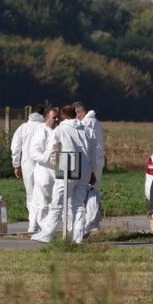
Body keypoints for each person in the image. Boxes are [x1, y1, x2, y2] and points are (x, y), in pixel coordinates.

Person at [32, 104, 98, 245]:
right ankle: (77, 236)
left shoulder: (60, 129)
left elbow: (52, 149)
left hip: (68, 163)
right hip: (85, 167)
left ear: (62, 115)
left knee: (57, 201)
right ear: (75, 113)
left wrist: (51, 161)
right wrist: (92, 171)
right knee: (79, 203)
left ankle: (48, 233)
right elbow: (93, 152)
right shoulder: (86, 129)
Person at [10, 105, 47, 235]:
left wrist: (16, 165)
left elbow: (15, 148)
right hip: (44, 163)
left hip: (27, 164)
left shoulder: (23, 128)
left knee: (31, 193)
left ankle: (32, 224)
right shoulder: (45, 127)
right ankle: (43, 224)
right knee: (43, 192)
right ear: (44, 114)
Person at [74, 101, 106, 234]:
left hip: (93, 160)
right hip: (97, 159)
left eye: (76, 114)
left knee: (91, 190)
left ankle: (91, 223)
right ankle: (94, 222)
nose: (76, 118)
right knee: (94, 189)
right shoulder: (95, 121)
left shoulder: (88, 122)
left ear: (81, 112)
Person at [27, 107, 60, 235]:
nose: (56, 120)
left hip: (56, 170)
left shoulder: (59, 131)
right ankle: (44, 229)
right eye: (54, 117)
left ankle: (40, 227)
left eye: (58, 117)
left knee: (52, 200)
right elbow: (33, 152)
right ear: (46, 118)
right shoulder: (42, 132)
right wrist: (47, 159)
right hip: (44, 170)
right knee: (42, 201)